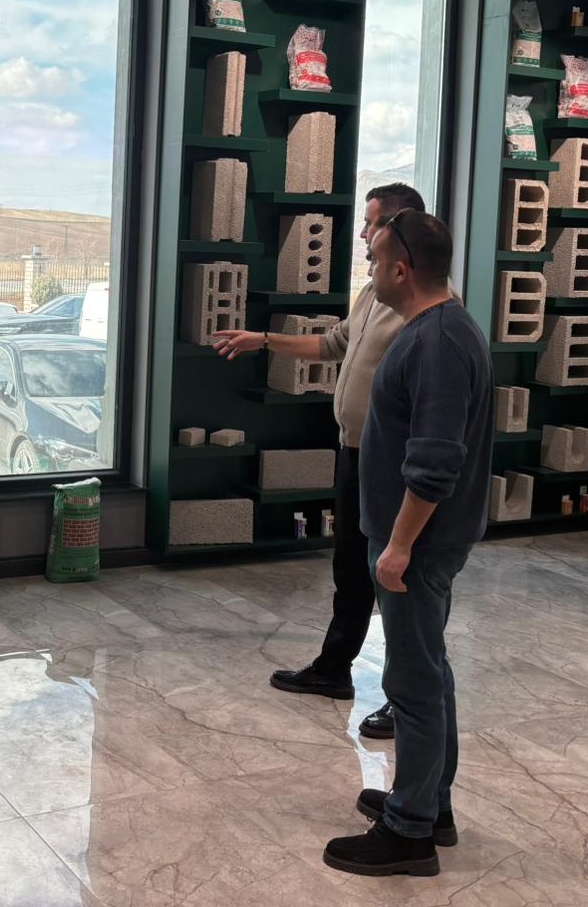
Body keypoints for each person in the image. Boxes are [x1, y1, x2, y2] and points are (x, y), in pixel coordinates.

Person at [212, 182, 428, 741]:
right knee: (350, 570)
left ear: (398, 228)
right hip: (355, 451)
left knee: (399, 580)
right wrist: (263, 340)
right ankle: (334, 669)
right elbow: (333, 344)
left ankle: (406, 700)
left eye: (371, 223)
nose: (363, 233)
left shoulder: (424, 307)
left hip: (393, 463)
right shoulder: (373, 291)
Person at [321, 209, 492, 878]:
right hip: (415, 540)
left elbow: (435, 463)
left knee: (413, 682)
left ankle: (410, 831)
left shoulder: (438, 341)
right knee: (429, 672)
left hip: (417, 545)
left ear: (401, 269)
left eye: (375, 260)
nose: (369, 270)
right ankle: (429, 804)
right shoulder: (438, 330)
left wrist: (397, 548)